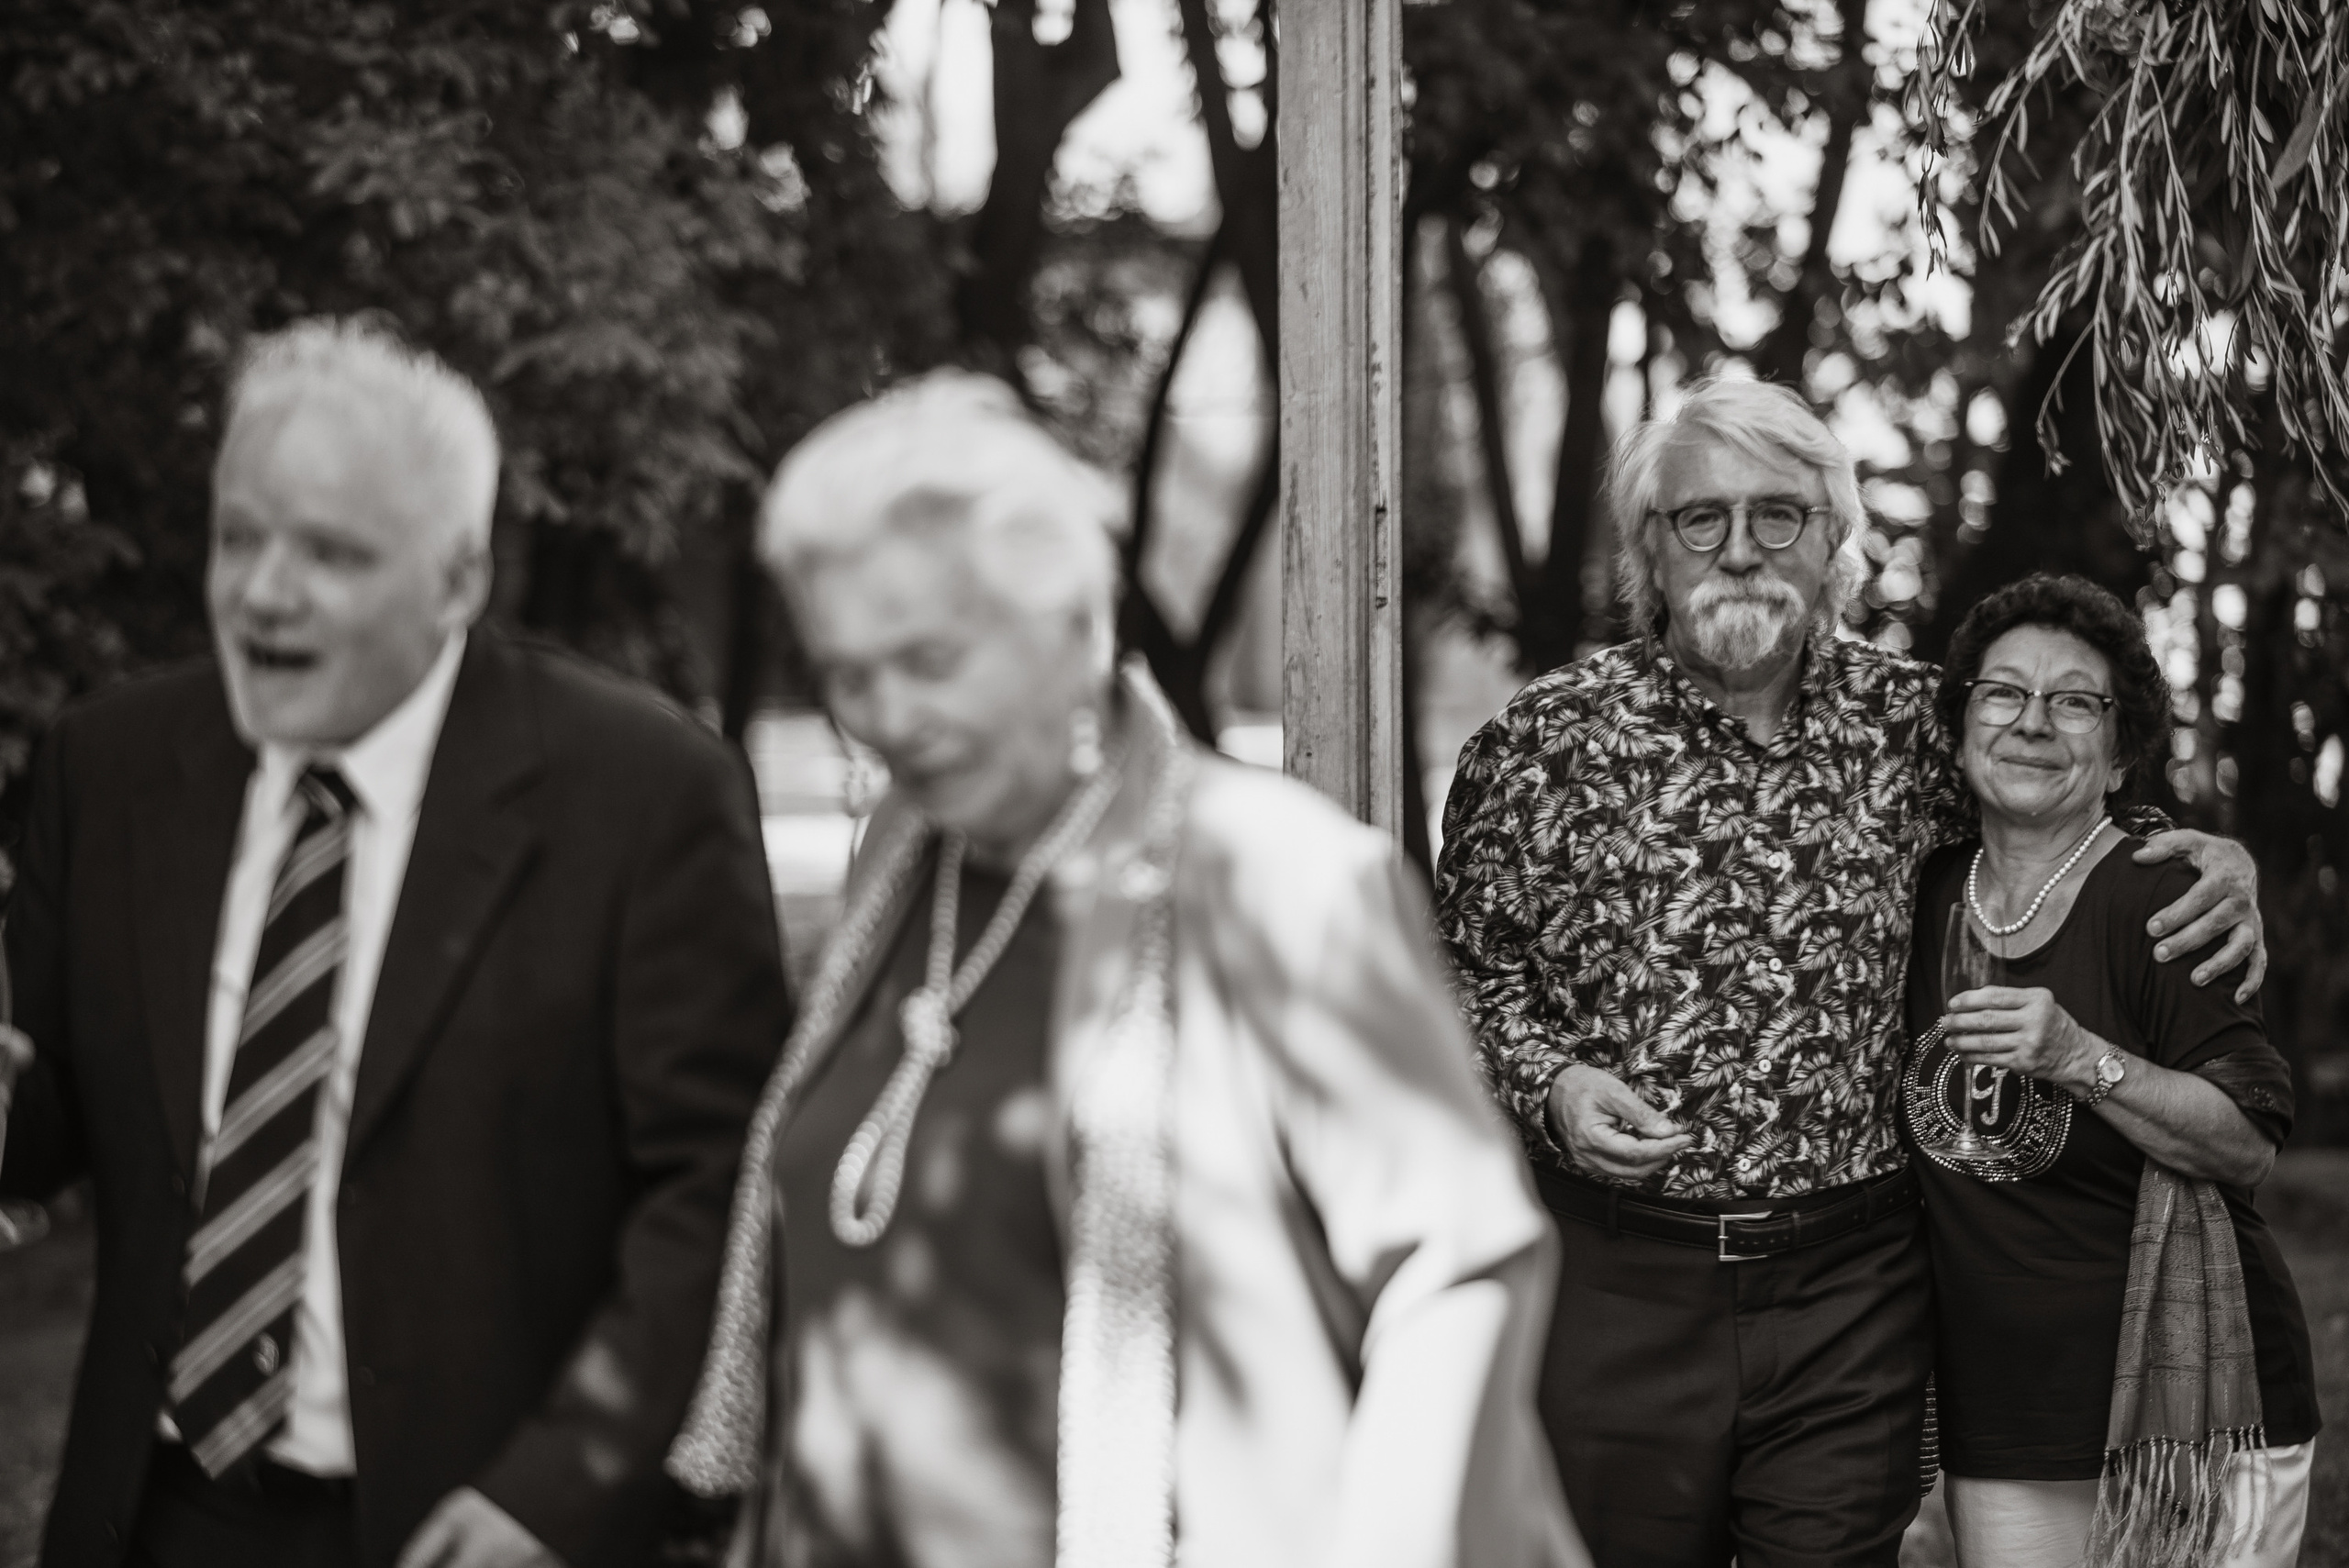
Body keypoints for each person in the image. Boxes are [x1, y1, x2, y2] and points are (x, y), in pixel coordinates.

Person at [665, 371, 1582, 1568]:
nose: (886, 715)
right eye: (847, 675)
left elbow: (1459, 1276)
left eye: (931, 658)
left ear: (1075, 626)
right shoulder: (903, 861)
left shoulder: (1278, 880)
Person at [1434, 375, 2266, 1568]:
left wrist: (2210, 852)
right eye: (1698, 519)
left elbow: (2058, 810)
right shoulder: (1543, 740)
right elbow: (1458, 976)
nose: (1739, 551)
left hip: (1851, 1286)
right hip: (1618, 1277)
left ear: (1833, 542)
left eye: (1779, 515)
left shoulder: (1915, 722)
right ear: (1648, 553)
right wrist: (1551, 1080)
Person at [0, 319, 793, 1568]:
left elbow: (720, 1189)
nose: (262, 591)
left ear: (458, 579)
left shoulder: (640, 794)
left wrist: (564, 1486)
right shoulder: (109, 768)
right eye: (239, 536)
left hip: (470, 1522)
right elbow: (36, 1128)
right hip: (152, 1519)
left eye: (328, 552)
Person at [1901, 572, 2318, 1568]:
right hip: (2000, 1419)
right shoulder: (1917, 895)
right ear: (1961, 725)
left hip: (2191, 1414)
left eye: (2073, 701)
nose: (2031, 722)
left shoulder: (2163, 895)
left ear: (2119, 745)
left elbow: (2244, 1141)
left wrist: (2079, 1056)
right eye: (2002, 693)